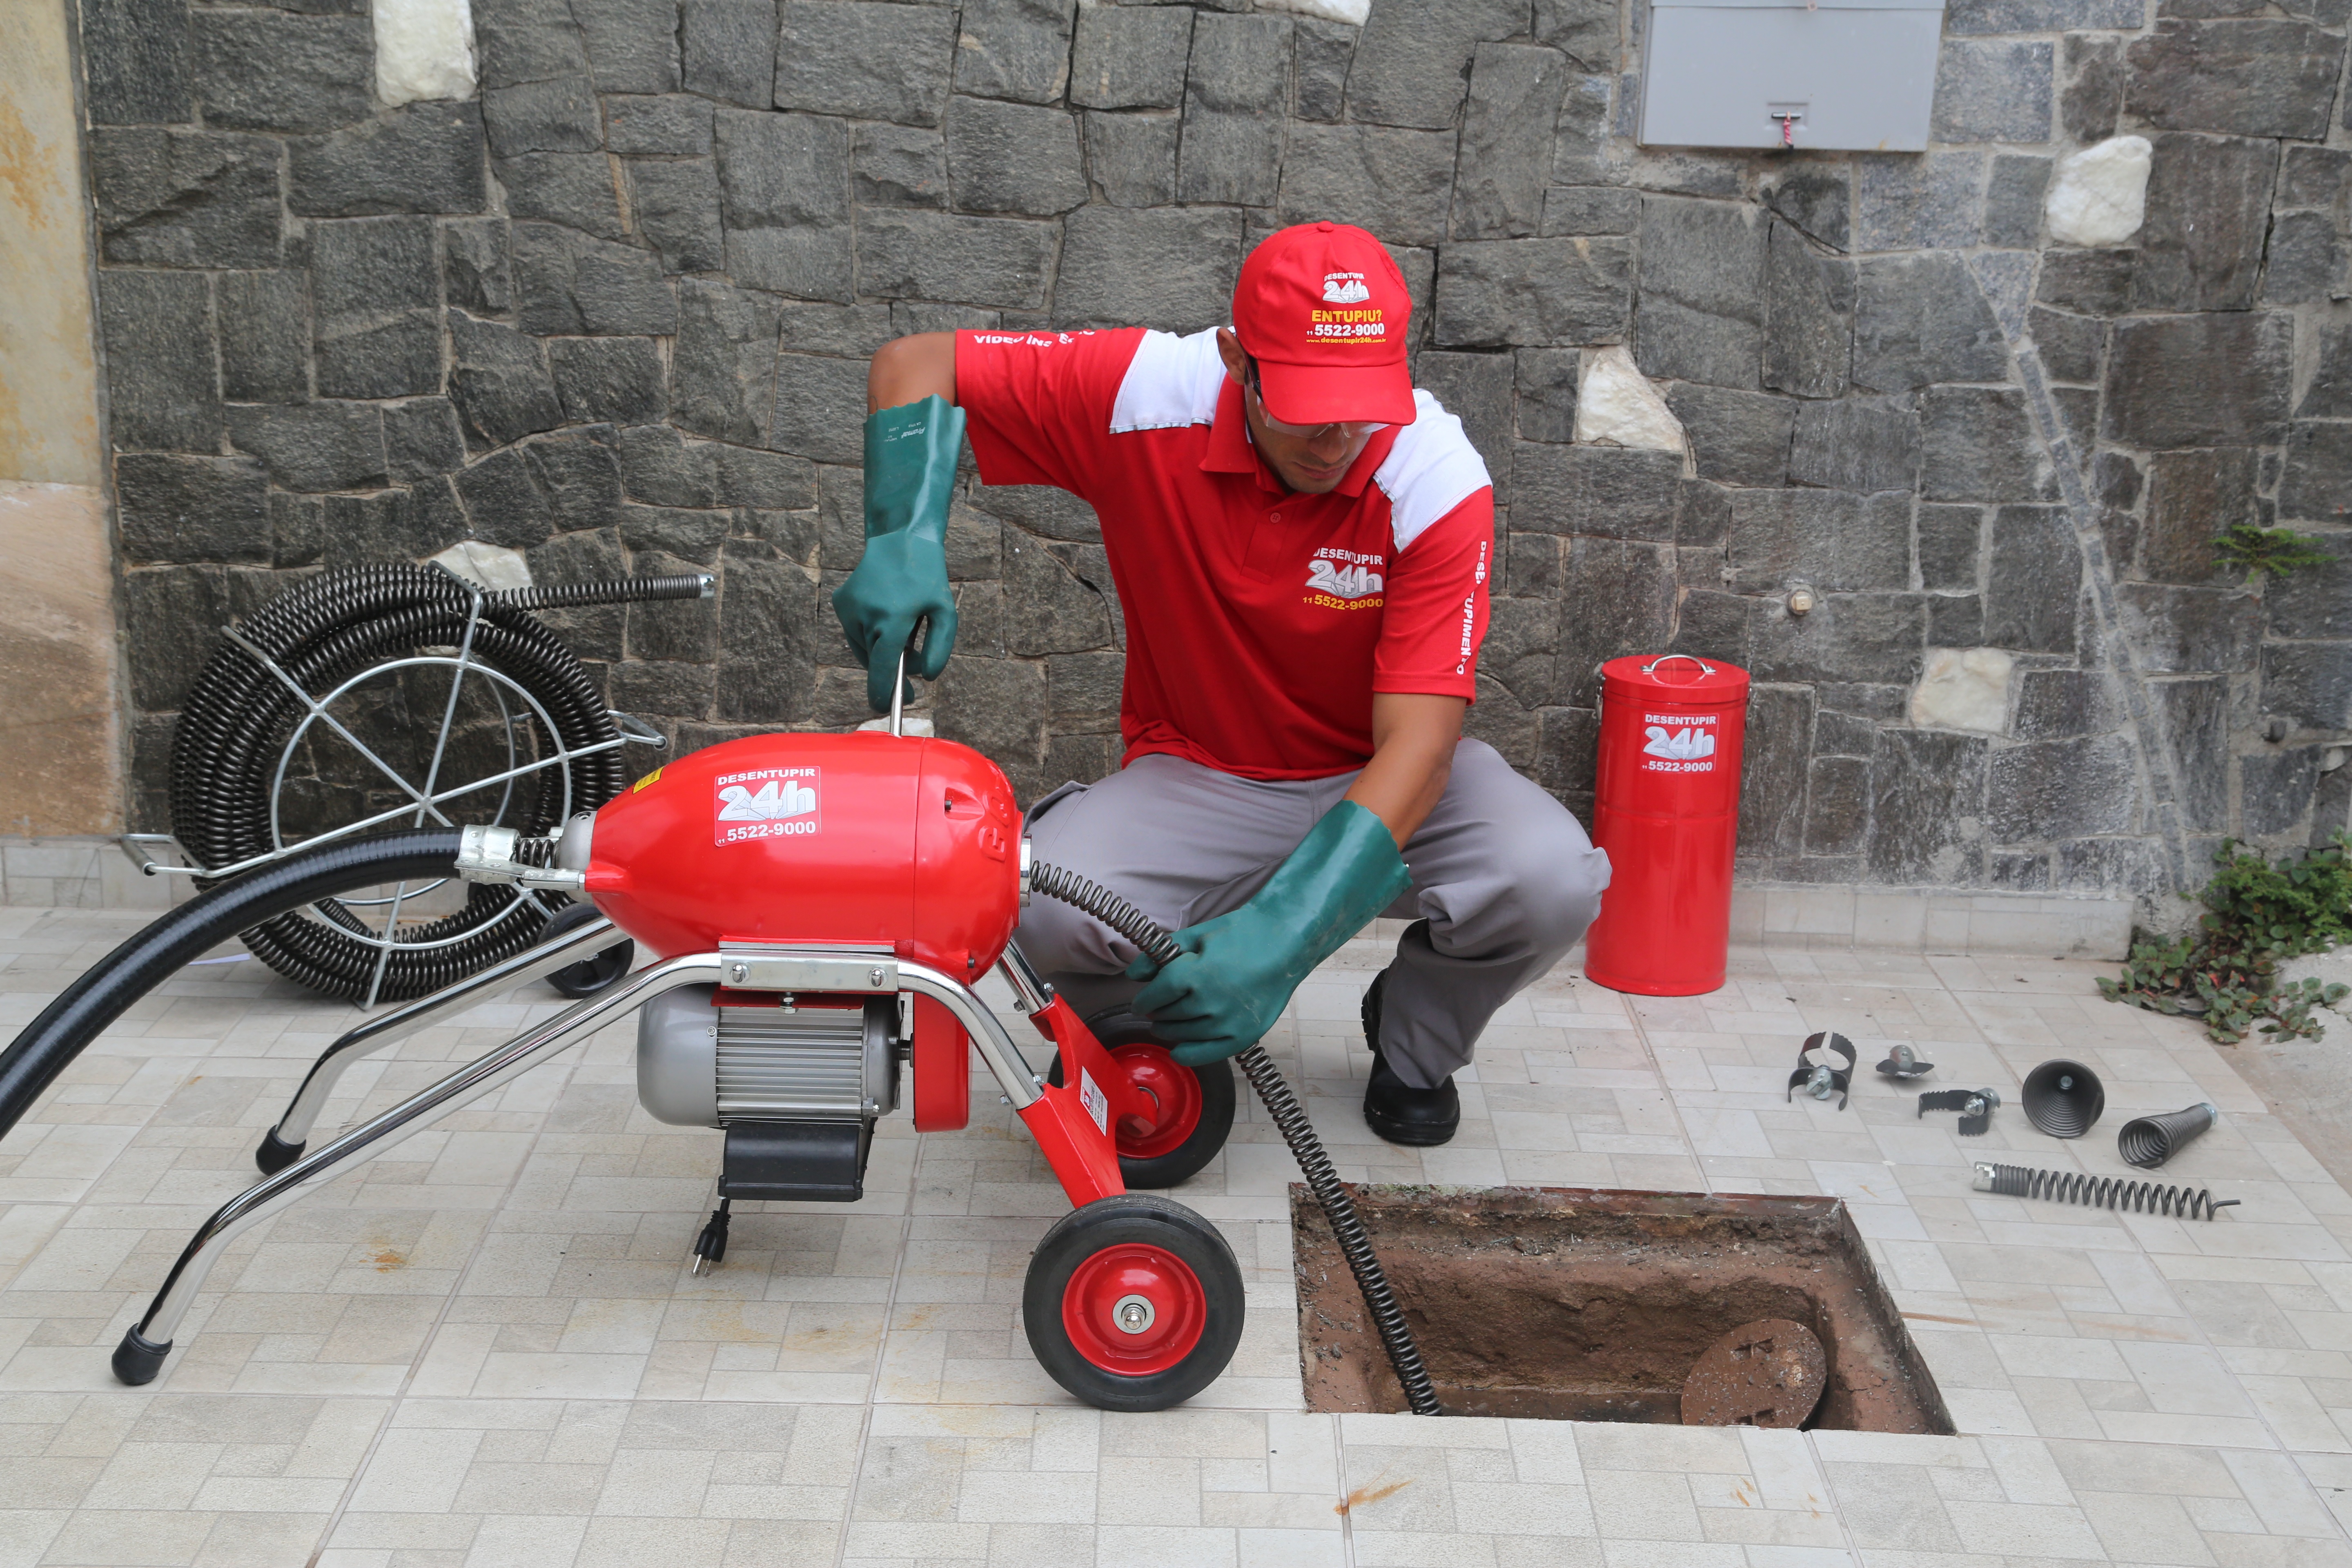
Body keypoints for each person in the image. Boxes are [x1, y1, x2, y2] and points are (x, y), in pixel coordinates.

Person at [833, 220, 1610, 1147]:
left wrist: (1284, 939)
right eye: (1303, 407)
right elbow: (916, 364)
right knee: (1038, 906)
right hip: (1203, 773)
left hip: (1382, 772)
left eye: (1360, 409)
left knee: (1550, 879)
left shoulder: (1433, 478)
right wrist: (902, 536)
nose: (1335, 442)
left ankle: (1416, 1040)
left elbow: (1421, 743)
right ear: (1238, 359)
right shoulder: (1144, 394)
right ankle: (1155, 1040)